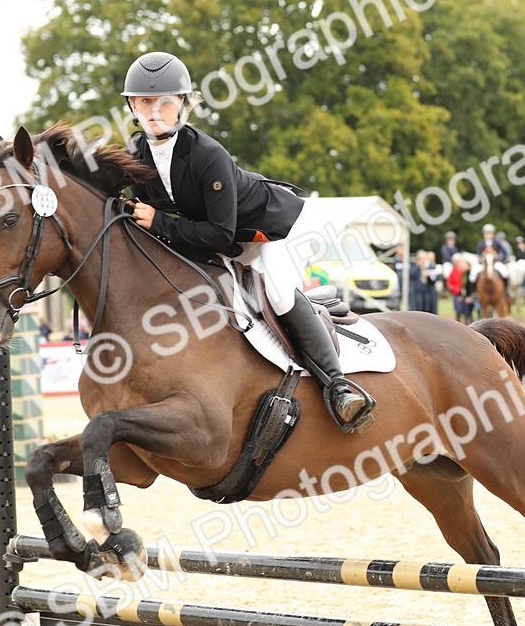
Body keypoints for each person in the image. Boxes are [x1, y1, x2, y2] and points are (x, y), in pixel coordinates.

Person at [122, 51, 374, 433]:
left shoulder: (208, 155)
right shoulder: (135, 154)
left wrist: (159, 222)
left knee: (278, 294)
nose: (153, 111)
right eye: (144, 102)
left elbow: (219, 232)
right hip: (217, 241)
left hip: (266, 229)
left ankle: (339, 387)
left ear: (183, 105)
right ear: (132, 106)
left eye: (164, 102)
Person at [445, 253, 475, 324]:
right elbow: (450, 281)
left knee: (467, 314)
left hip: (467, 296)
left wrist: (469, 296)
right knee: (461, 312)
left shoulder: (469, 274)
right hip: (460, 294)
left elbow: (470, 287)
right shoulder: (460, 272)